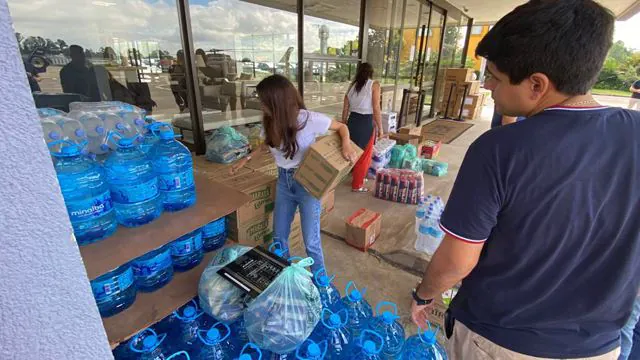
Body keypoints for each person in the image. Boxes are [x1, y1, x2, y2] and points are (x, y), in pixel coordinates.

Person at [410, 1, 639, 359]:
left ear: (536, 84)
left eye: (495, 77)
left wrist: (424, 294)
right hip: (598, 348)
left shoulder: (500, 149)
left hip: (499, 342)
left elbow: (457, 261)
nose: (486, 85)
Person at [231, 75, 357, 272]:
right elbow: (268, 145)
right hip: (283, 183)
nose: (261, 105)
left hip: (307, 185)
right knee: (279, 237)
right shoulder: (271, 121)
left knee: (311, 242)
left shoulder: (308, 119)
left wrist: (347, 145)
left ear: (276, 101)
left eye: (263, 100)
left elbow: (342, 127)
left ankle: (321, 285)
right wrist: (246, 159)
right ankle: (285, 276)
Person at [341, 62, 383, 192]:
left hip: (352, 121)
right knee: (364, 154)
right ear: (371, 73)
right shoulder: (374, 85)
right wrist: (381, 128)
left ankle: (356, 177)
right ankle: (357, 185)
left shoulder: (352, 86)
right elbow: (376, 107)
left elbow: (345, 107)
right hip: (366, 122)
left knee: (353, 150)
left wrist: (344, 124)